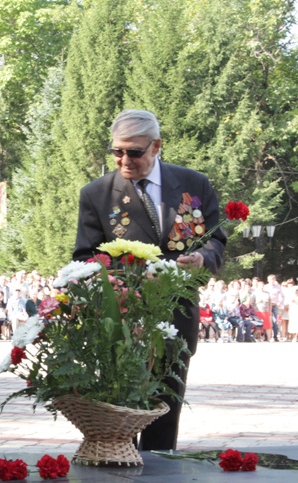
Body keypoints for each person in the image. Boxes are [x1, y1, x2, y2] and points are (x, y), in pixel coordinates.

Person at [73, 109, 226, 451]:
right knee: (119, 405)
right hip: (125, 316)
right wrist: (123, 280)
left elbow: (217, 239)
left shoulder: (193, 184)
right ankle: (114, 468)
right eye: (117, 151)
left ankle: (161, 479)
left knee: (166, 404)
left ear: (156, 146)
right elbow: (85, 256)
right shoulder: (97, 194)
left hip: (176, 313)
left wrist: (202, 258)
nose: (124, 160)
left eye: (134, 152)